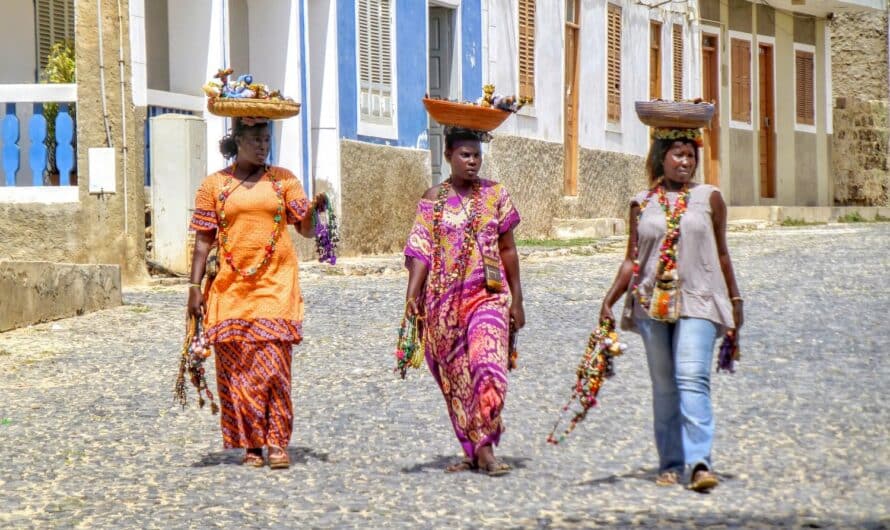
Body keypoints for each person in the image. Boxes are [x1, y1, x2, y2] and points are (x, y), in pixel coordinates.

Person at [599, 128, 743, 492]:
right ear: (661, 157)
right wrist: (609, 300)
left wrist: (735, 299)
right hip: (651, 303)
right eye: (678, 155)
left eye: (690, 156)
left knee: (691, 376)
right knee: (664, 386)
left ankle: (699, 463)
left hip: (699, 298)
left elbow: (723, 252)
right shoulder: (641, 202)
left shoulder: (710, 198)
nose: (685, 162)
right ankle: (670, 462)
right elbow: (632, 259)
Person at [187, 117, 325, 469]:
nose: (263, 146)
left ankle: (277, 442)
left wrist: (313, 212)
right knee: (239, 370)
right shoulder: (215, 186)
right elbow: (203, 240)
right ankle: (251, 443)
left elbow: (306, 230)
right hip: (231, 290)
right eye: (255, 140)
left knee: (275, 369)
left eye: (267, 140)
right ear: (237, 140)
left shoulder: (284, 181)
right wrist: (193, 287)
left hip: (276, 285)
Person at [403, 127, 525, 476]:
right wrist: (412, 296)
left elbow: (508, 249)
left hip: (488, 296)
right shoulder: (432, 199)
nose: (472, 162)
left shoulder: (495, 195)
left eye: (477, 155)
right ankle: (480, 451)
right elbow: (421, 250)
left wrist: (517, 299)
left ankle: (484, 441)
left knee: (488, 365)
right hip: (443, 306)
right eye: (465, 155)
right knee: (457, 380)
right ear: (448, 157)